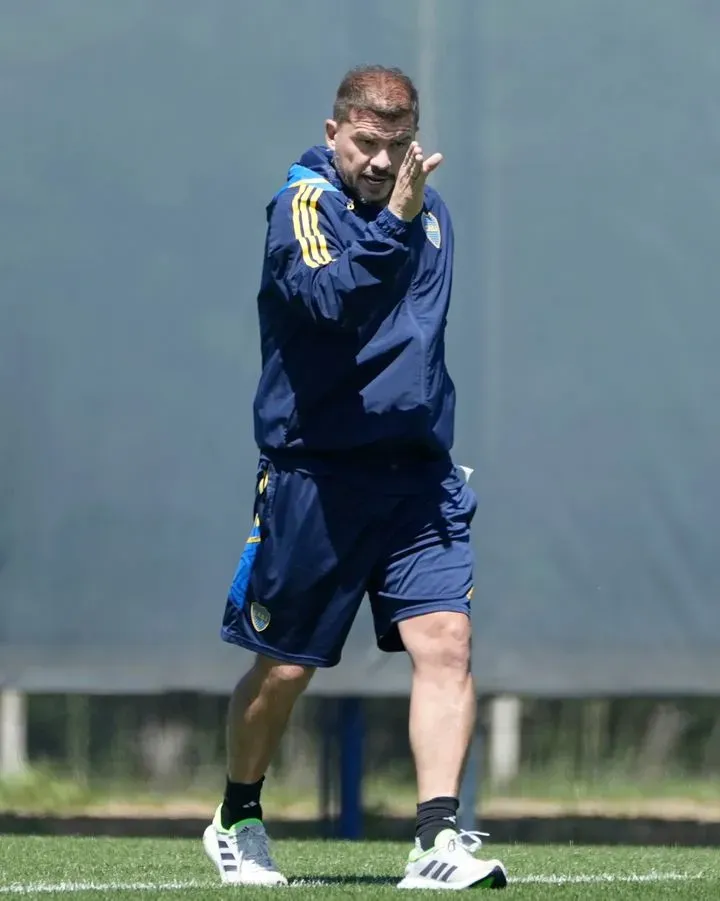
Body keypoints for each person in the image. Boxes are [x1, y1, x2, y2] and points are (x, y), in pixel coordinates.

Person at [202, 65, 508, 891]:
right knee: (286, 666)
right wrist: (392, 227)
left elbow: (417, 342)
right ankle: (238, 814)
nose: (380, 162)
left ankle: (437, 838)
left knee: (446, 642)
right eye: (367, 144)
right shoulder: (302, 206)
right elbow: (330, 302)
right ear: (335, 131)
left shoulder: (430, 212)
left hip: (419, 480)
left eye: (397, 146)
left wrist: (426, 430)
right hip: (318, 479)